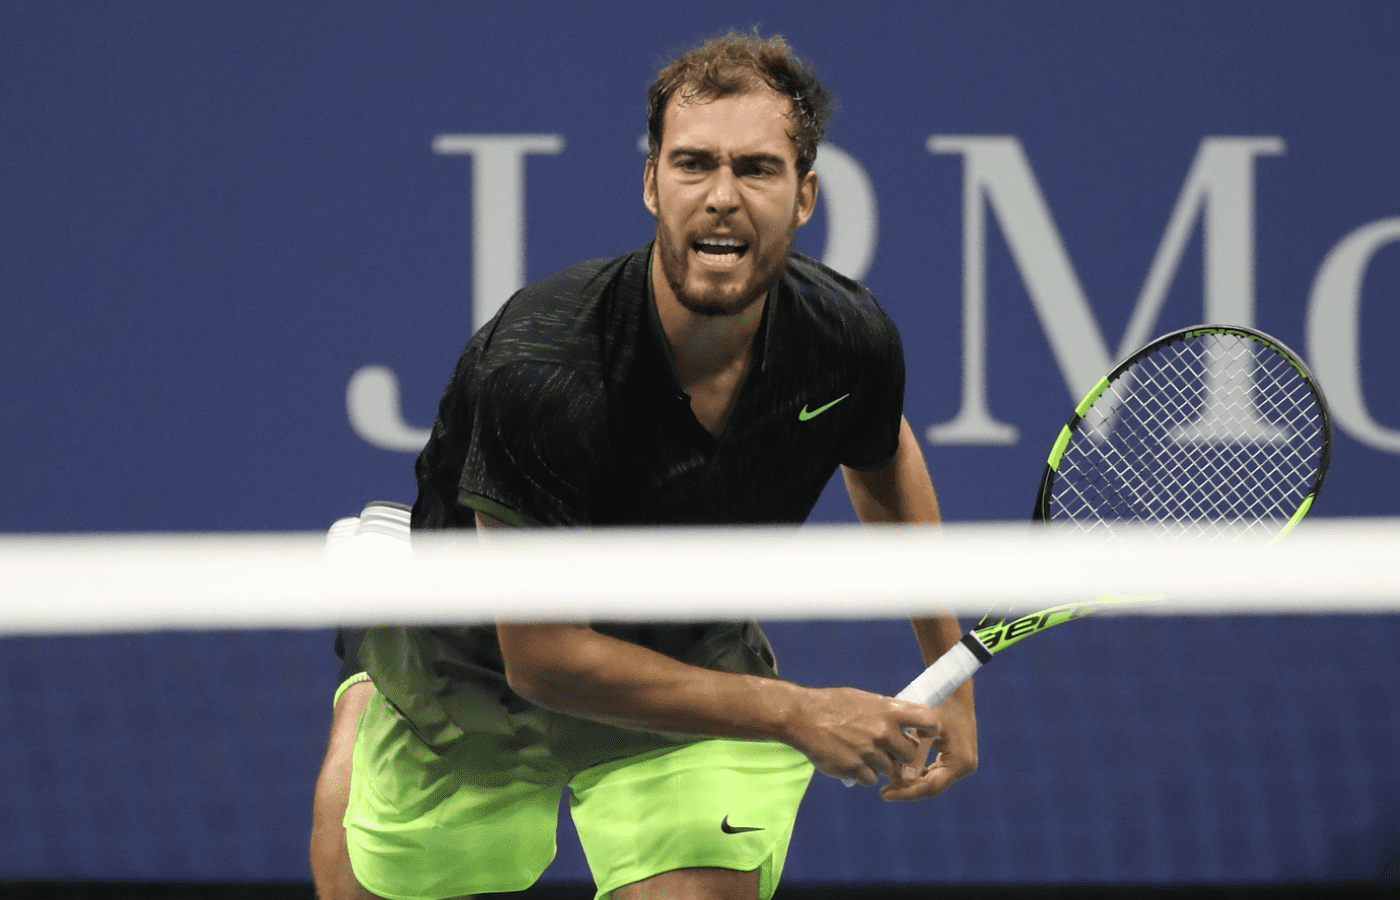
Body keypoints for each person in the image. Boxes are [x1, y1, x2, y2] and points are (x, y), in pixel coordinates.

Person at [321, 30, 978, 900]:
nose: (721, 197)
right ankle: (374, 681)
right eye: (693, 164)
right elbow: (547, 659)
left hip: (689, 657)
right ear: (651, 184)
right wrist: (799, 711)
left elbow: (883, 453)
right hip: (482, 663)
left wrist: (952, 671)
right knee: (365, 882)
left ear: (805, 194)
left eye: (756, 168)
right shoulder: (547, 365)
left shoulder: (846, 340)